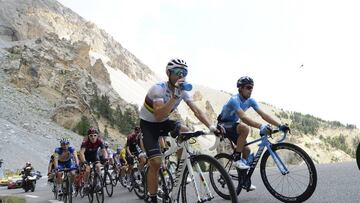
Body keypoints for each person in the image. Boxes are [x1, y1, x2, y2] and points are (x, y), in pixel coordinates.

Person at [139, 58, 219, 203]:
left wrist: (211, 126)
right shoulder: (158, 89)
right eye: (178, 72)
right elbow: (158, 115)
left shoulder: (182, 91)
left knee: (185, 130)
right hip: (149, 125)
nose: (181, 75)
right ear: (168, 73)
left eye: (185, 72)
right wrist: (175, 96)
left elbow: (197, 111)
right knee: (156, 162)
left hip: (164, 122)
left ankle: (179, 172)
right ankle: (152, 198)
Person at [217, 76, 290, 190]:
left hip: (233, 126)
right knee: (245, 128)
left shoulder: (250, 101)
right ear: (240, 88)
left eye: (252, 88)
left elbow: (263, 115)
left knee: (246, 150)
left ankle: (243, 180)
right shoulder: (234, 100)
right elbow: (244, 118)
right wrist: (261, 126)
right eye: (248, 87)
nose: (251, 90)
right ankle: (236, 159)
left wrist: (279, 125)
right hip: (223, 124)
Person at [79, 127, 108, 193]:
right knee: (87, 170)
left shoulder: (99, 141)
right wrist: (84, 161)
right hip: (86, 158)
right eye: (91, 136)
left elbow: (104, 151)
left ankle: (98, 183)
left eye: (95, 135)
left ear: (97, 136)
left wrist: (105, 158)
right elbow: (81, 153)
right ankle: (85, 185)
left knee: (98, 166)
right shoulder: (85, 143)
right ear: (88, 136)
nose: (93, 137)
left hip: (94, 157)